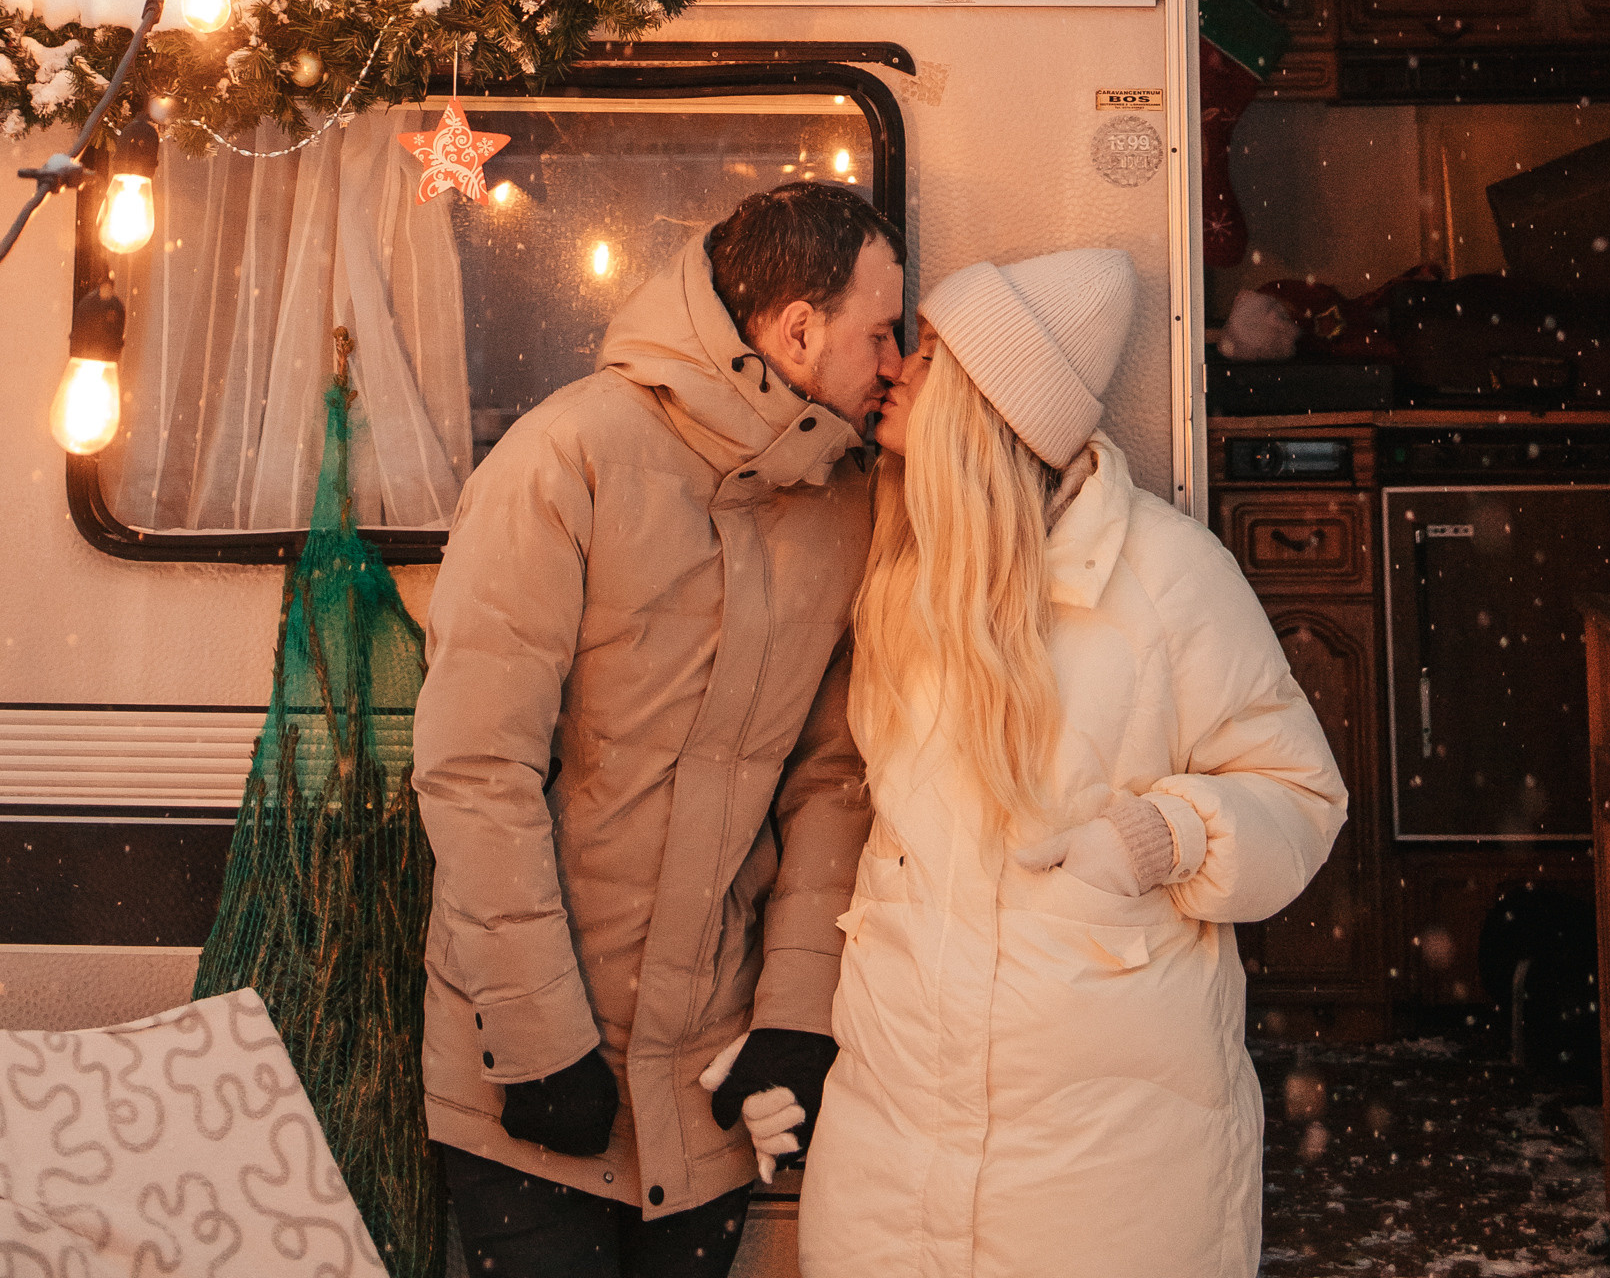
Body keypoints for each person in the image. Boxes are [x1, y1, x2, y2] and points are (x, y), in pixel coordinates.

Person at [795, 245, 1347, 1278]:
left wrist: (1165, 835)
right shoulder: (902, 568)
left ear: (983, 401)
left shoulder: (1166, 575)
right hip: (894, 1133)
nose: (895, 371)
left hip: (1103, 1164)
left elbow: (1299, 797)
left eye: (926, 352)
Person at [409, 178, 904, 1276]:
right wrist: (539, 1043)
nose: (894, 361)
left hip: (707, 1090)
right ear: (796, 327)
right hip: (529, 1085)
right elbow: (475, 768)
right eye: (881, 330)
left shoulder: (841, 505)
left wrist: (794, 1016)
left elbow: (832, 781)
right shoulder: (567, 459)